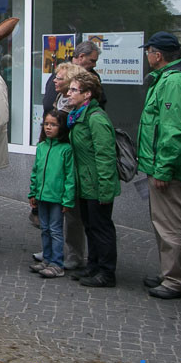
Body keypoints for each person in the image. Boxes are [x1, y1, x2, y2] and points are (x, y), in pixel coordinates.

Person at [137, 31, 181, 299]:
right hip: (160, 166)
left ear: (158, 55)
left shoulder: (174, 82)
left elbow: (173, 131)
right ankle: (169, 272)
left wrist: (163, 169)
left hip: (169, 171)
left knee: (171, 224)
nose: (146, 56)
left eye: (148, 51)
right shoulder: (166, 79)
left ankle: (176, 280)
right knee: (162, 223)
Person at [66, 71, 119, 287]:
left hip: (97, 184)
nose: (68, 93)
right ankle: (94, 265)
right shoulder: (79, 116)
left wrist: (105, 190)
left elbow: (105, 156)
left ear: (87, 94)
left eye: (73, 90)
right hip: (85, 183)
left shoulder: (96, 119)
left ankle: (107, 272)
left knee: (101, 227)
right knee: (90, 226)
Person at [29, 110, 76, 278]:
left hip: (57, 198)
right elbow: (36, 171)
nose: (49, 127)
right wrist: (32, 192)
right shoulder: (41, 147)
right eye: (46, 124)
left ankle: (57, 263)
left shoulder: (66, 149)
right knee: (45, 229)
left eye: (53, 125)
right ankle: (47, 259)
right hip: (42, 196)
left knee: (55, 230)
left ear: (61, 127)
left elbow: (70, 176)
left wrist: (67, 200)